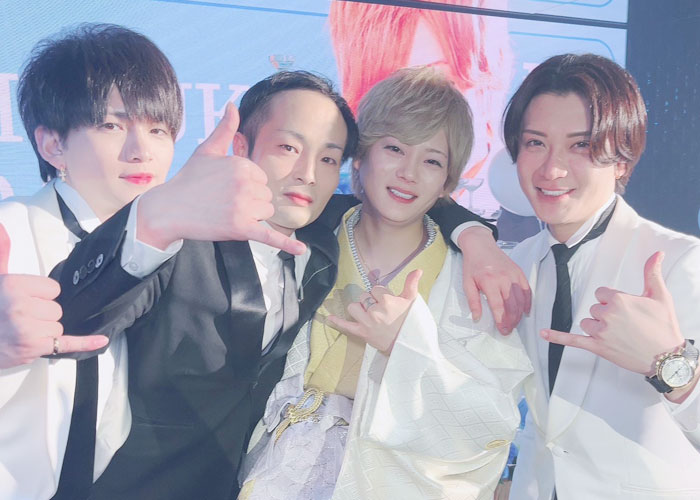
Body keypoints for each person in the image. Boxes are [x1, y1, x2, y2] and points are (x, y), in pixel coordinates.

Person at [0, 24, 296, 500]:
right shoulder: (10, 230)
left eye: (158, 129)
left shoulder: (173, 244)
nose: (142, 151)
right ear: (53, 145)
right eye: (111, 126)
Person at [238, 67, 533, 500]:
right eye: (394, 148)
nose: (409, 173)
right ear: (360, 155)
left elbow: (490, 422)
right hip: (278, 473)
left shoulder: (471, 279)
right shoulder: (308, 233)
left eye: (432, 161)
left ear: (448, 182)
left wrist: (407, 346)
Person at [503, 53, 700, 498]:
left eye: (581, 145)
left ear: (622, 160)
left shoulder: (679, 261)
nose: (551, 170)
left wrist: (671, 366)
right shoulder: (518, 264)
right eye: (535, 143)